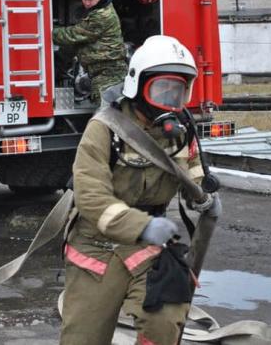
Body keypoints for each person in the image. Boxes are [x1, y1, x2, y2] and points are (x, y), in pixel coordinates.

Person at [59, 35, 221, 344]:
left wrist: (204, 196)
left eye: (179, 91)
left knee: (166, 321)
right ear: (137, 85)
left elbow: (193, 168)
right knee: (83, 338)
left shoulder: (181, 130)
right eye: (163, 90)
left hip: (149, 248)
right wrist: (142, 226)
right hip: (97, 246)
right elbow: (91, 198)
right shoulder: (105, 128)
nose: (171, 100)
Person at [52, 0, 127, 106]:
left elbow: (72, 35)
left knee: (108, 117)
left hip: (108, 75)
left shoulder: (102, 15)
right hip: (102, 73)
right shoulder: (98, 9)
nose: (86, 2)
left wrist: (47, 29)